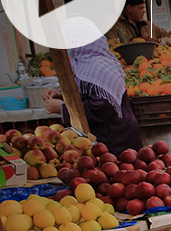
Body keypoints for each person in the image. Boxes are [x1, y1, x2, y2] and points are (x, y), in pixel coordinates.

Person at [42, 18, 142, 154]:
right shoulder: (85, 63)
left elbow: (100, 108)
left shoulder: (98, 67)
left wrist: (63, 109)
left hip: (115, 140)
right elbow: (87, 91)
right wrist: (61, 94)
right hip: (110, 136)